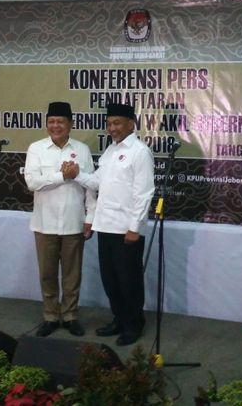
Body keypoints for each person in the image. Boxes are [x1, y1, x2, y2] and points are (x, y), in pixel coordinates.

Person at [67, 103, 155, 346]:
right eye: (109, 124)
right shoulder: (109, 151)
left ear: (131, 124)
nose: (112, 128)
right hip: (105, 226)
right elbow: (96, 183)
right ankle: (119, 318)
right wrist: (77, 175)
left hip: (126, 230)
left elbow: (144, 193)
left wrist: (135, 228)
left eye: (117, 123)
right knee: (111, 279)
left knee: (130, 280)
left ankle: (134, 324)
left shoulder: (139, 151)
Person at [24, 102, 96, 337]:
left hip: (74, 221)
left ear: (70, 125)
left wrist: (91, 217)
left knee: (72, 274)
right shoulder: (36, 149)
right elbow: (32, 183)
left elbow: (90, 188)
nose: (55, 126)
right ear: (47, 124)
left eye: (60, 122)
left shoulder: (82, 149)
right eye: (51, 122)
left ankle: (70, 315)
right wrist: (62, 176)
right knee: (47, 273)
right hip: (44, 222)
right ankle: (51, 315)